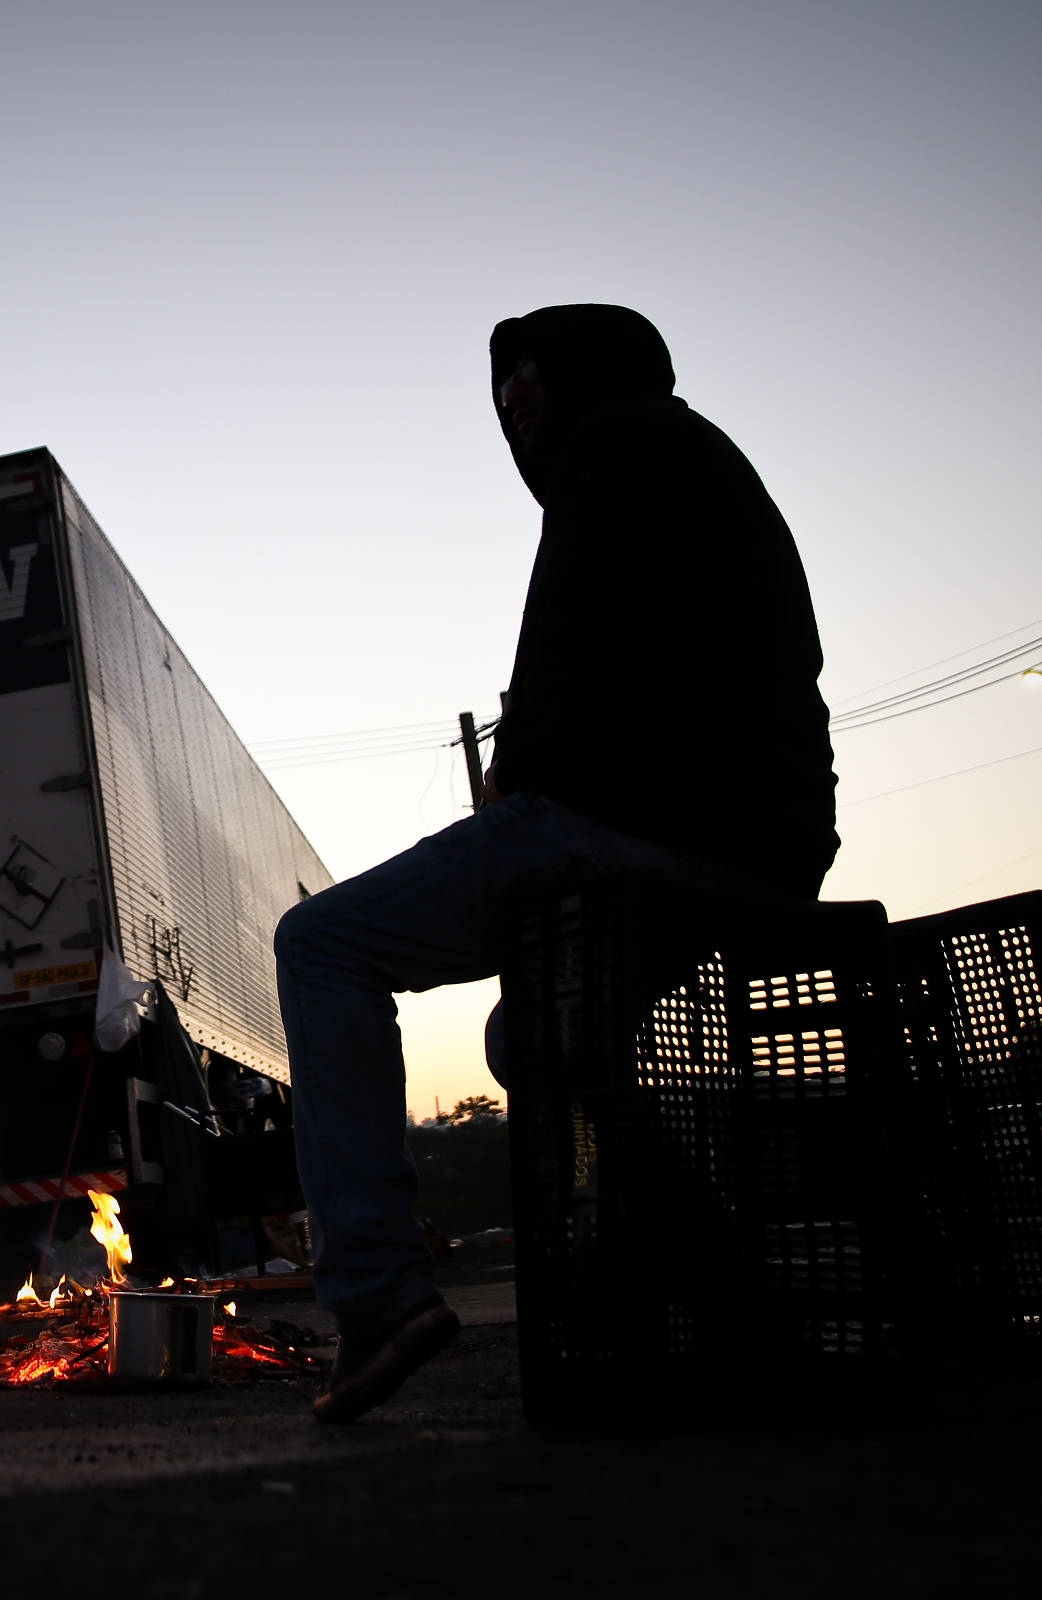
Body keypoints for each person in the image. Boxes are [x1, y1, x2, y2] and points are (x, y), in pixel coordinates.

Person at [274, 303, 838, 1422]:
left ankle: (381, 1296)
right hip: (757, 843)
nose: (518, 417)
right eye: (505, 404)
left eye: (532, 391)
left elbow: (564, 668)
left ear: (587, 382)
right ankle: (740, 1299)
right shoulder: (699, 464)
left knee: (322, 942)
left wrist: (515, 776)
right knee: (532, 1039)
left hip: (647, 827)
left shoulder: (621, 447)